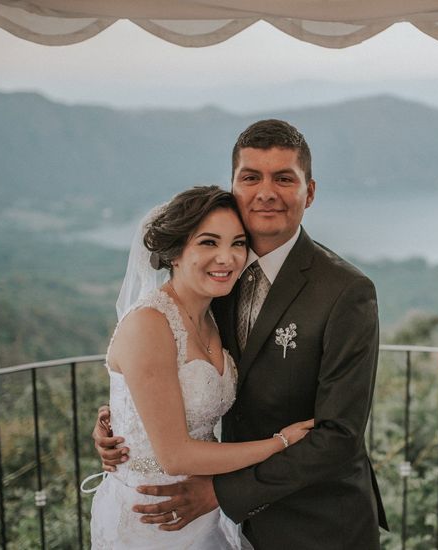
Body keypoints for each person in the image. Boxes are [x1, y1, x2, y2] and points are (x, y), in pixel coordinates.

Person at [93, 120, 387, 549]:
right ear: (235, 187)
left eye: (284, 178)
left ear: (309, 192)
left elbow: (339, 437)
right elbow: (167, 368)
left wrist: (220, 493)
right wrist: (121, 421)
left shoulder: (346, 292)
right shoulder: (216, 281)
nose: (266, 192)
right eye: (251, 177)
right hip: (207, 521)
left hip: (314, 522)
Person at [87, 186, 314, 549]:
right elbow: (175, 455)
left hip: (205, 506)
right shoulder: (149, 322)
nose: (227, 258)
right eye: (209, 243)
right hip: (152, 515)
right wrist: (280, 444)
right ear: (175, 252)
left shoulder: (215, 315)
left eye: (238, 243)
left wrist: (115, 415)